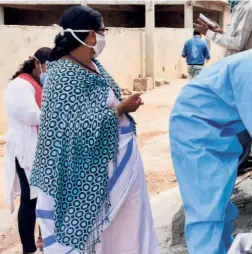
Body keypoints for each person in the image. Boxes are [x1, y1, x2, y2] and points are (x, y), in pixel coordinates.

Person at [30, 6, 160, 254]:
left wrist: (120, 108)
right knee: (98, 237)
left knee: (129, 228)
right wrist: (120, 108)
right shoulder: (62, 75)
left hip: (117, 160)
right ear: (91, 35)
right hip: (87, 175)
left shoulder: (93, 64)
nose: (103, 37)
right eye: (102, 31)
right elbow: (70, 132)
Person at [169, 49, 252, 254]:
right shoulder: (249, 69)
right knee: (206, 209)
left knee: (221, 204)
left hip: (221, 131)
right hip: (195, 131)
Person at [194, 0, 252, 175]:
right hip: (234, 70)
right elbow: (235, 38)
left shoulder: (248, 8)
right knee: (237, 115)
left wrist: (210, 34)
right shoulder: (238, 8)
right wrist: (219, 32)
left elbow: (236, 43)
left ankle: (240, 161)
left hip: (241, 72)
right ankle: (240, 158)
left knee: (239, 115)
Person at [4, 47, 51, 254]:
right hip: (25, 150)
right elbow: (31, 115)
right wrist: (57, 111)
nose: (48, 72)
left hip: (37, 149)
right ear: (36, 64)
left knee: (43, 197)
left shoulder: (35, 84)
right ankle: (28, 248)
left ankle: (43, 241)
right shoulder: (20, 85)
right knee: (30, 199)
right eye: (47, 67)